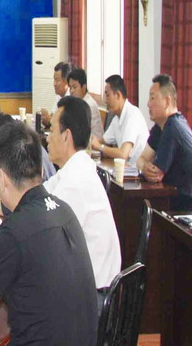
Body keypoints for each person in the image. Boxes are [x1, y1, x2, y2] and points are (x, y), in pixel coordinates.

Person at [0, 123, 97, 344]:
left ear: (3, 179)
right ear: (41, 171)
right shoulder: (64, 211)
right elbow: (34, 265)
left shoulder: (14, 230)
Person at [44, 96, 121, 290]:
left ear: (66, 136)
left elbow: (44, 236)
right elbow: (35, 198)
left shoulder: (75, 182)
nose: (47, 137)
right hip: (84, 284)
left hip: (93, 295)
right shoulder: (74, 168)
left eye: (52, 131)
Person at [136, 75, 192, 211]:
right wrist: (144, 166)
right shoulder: (160, 127)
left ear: (167, 101)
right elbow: (142, 158)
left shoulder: (173, 126)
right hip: (175, 198)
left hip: (190, 206)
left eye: (153, 98)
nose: (148, 104)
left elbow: (156, 175)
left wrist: (145, 167)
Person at [91, 74, 149, 167]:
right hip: (126, 169)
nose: (105, 100)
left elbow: (123, 154)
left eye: (107, 95)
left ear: (118, 95)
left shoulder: (132, 115)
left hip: (137, 171)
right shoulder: (116, 119)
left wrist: (100, 147)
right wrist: (89, 141)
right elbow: (102, 141)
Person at [67, 68, 104, 141]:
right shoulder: (78, 102)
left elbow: (78, 130)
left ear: (84, 87)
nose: (71, 91)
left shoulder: (89, 105)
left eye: (74, 87)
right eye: (70, 87)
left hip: (93, 144)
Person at [41, 61, 70, 127]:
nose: (54, 84)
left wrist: (49, 119)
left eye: (57, 80)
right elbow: (53, 115)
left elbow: (62, 124)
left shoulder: (70, 98)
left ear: (66, 81)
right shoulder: (59, 95)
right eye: (54, 80)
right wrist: (46, 119)